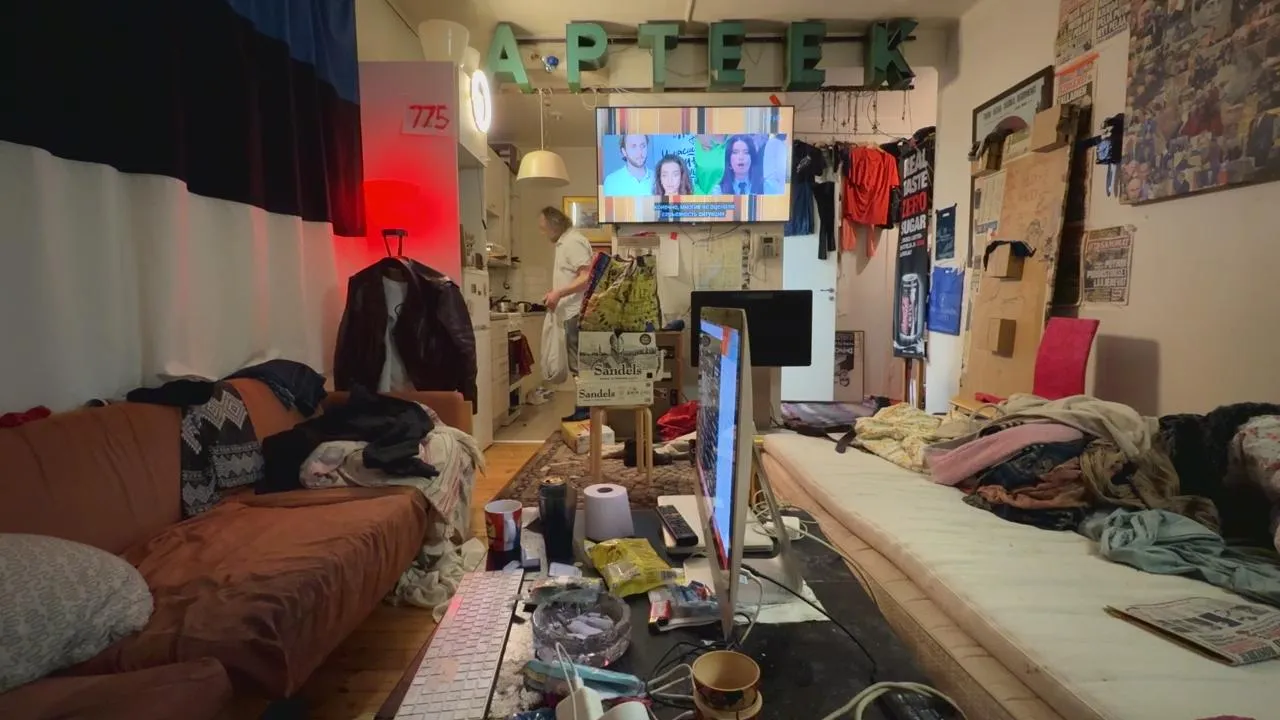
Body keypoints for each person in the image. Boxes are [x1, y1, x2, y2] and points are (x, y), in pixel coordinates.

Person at [539, 206, 595, 422]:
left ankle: (585, 411)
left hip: (576, 311)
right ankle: (584, 408)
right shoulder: (566, 242)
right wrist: (555, 293)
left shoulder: (572, 242)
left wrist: (559, 293)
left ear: (554, 225)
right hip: (570, 311)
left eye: (544, 228)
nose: (544, 233)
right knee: (577, 363)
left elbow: (586, 277)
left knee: (578, 364)